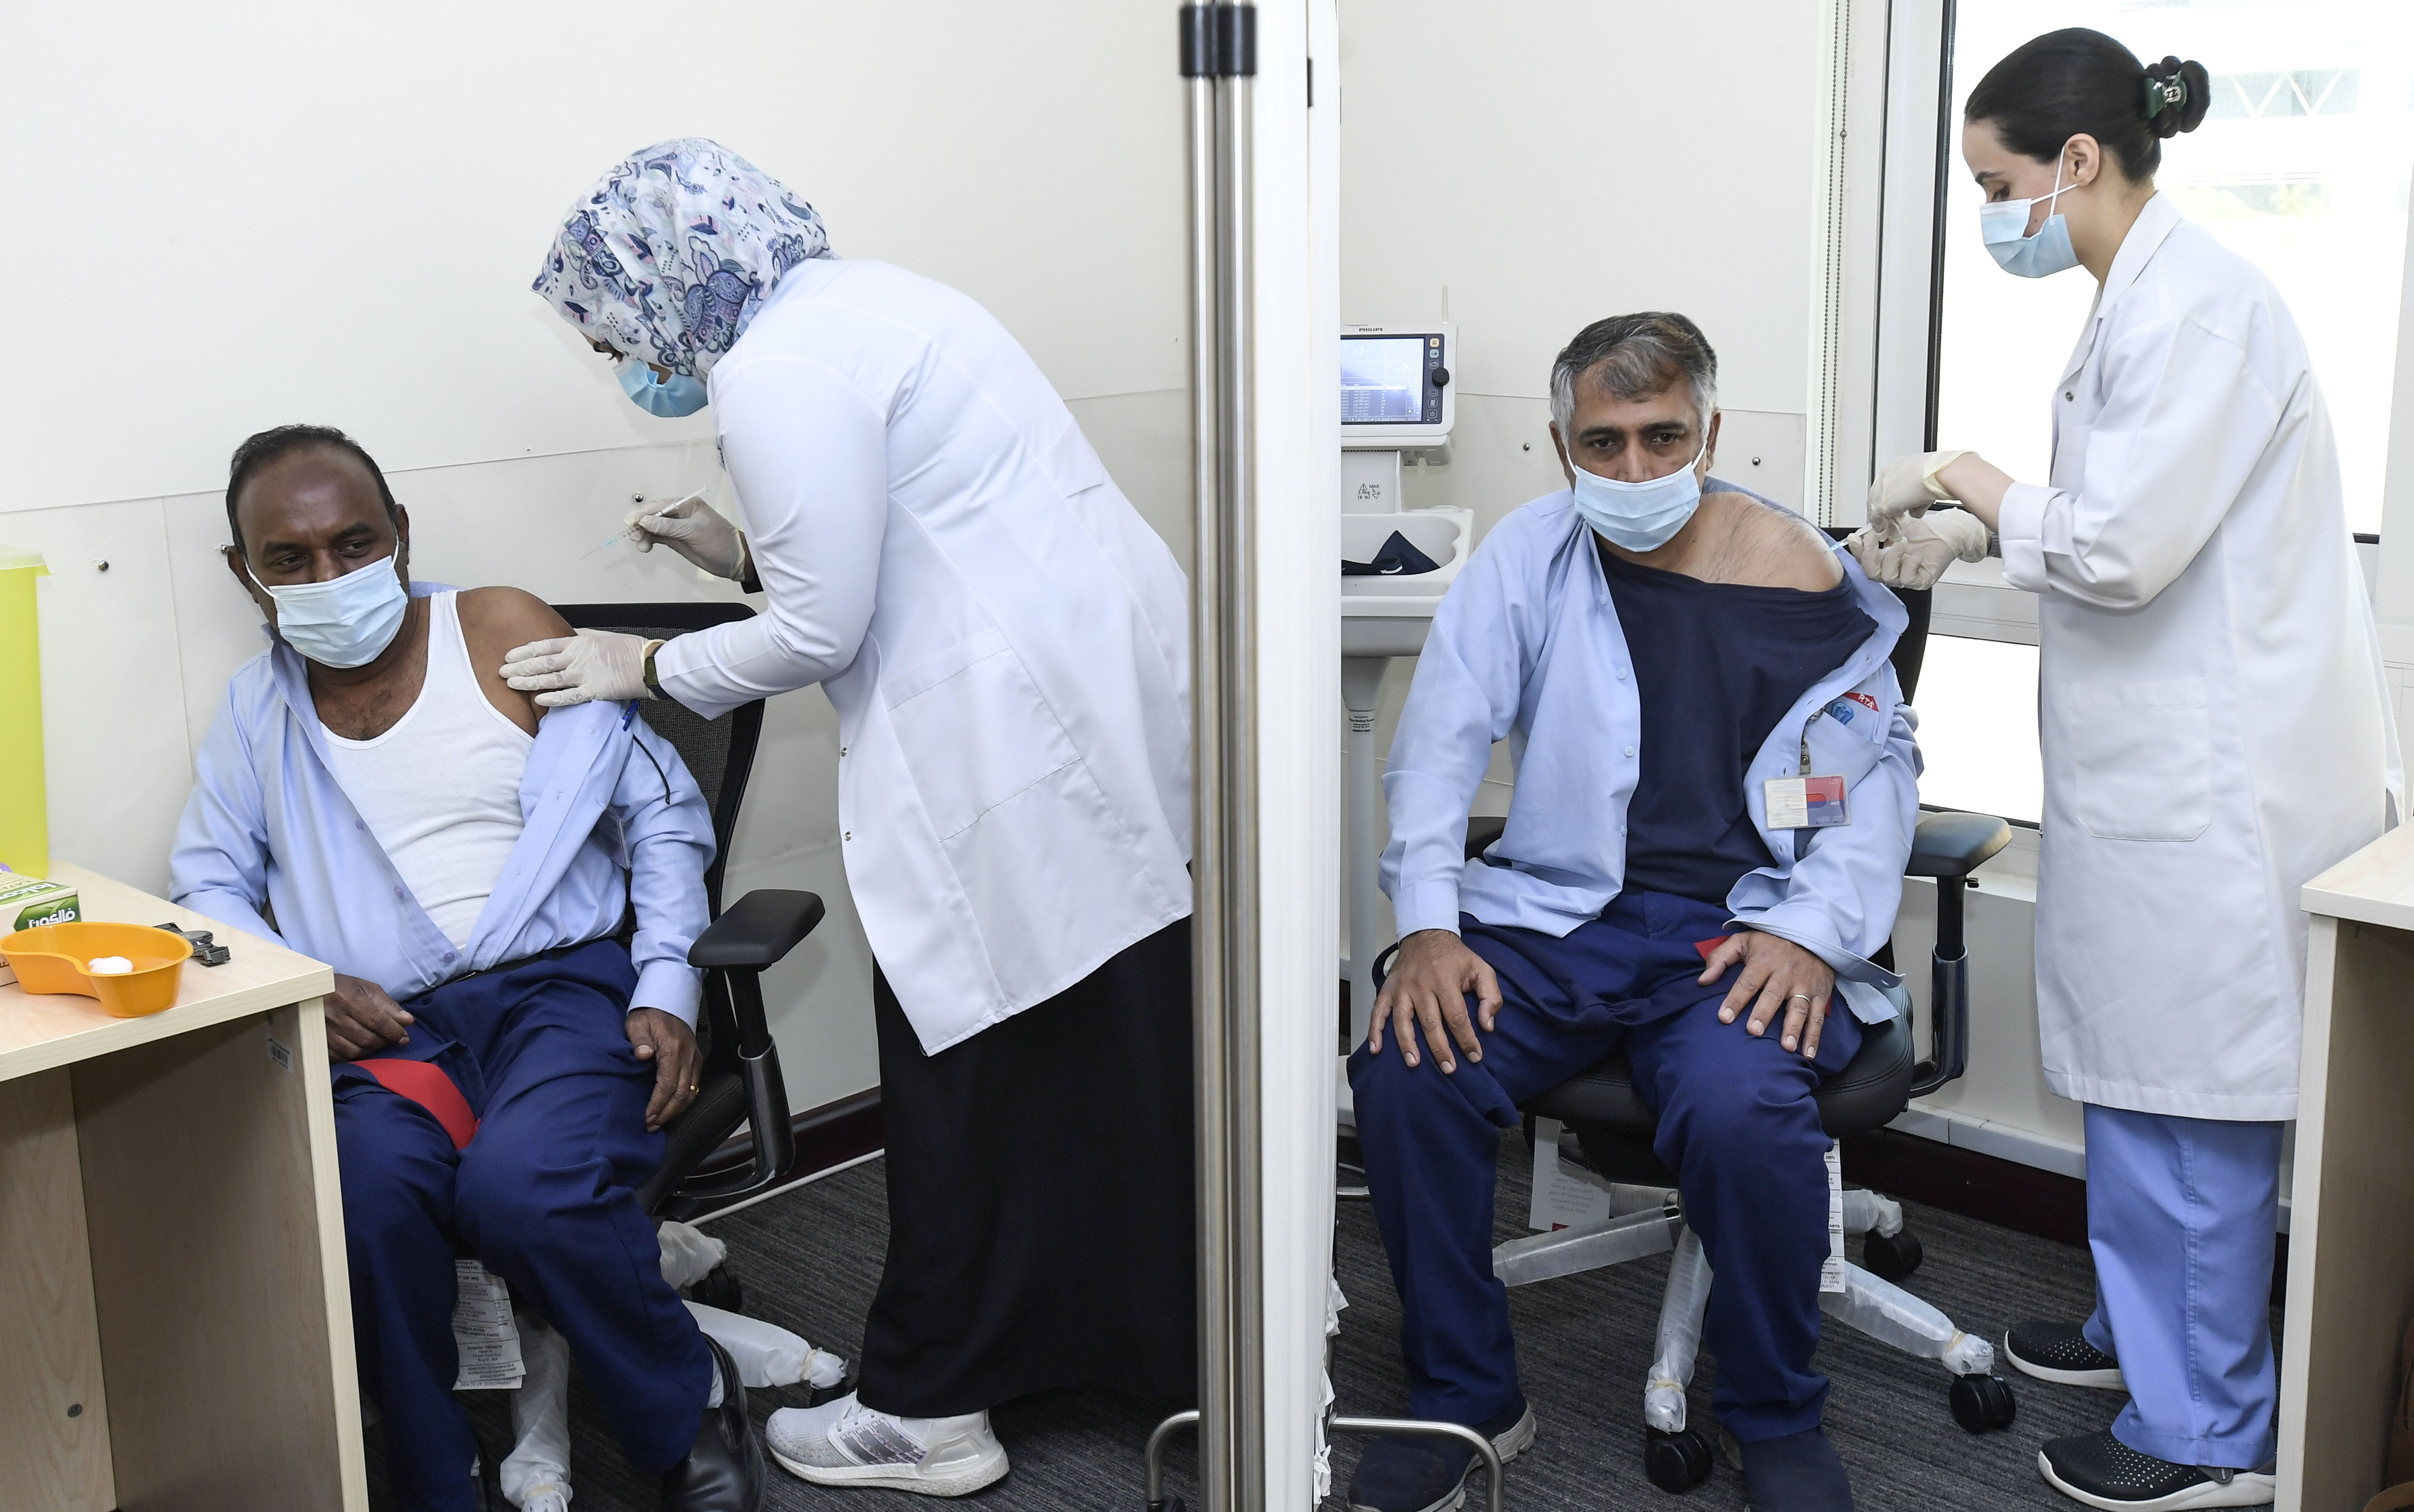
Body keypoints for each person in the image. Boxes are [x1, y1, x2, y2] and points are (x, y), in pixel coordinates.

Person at [508, 139, 1196, 1496]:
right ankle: (1154, 1346)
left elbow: (824, 627)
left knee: (968, 1078)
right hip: (1087, 713)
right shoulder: (879, 300)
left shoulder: (776, 368)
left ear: (662, 280)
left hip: (1003, 747)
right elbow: (910, 537)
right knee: (1097, 1063)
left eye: (615, 333)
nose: (628, 361)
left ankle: (932, 1410)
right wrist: (738, 551)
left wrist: (644, 663)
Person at [1853, 30, 2400, 1510]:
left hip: (2219, 791)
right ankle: (2138, 1334)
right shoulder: (2138, 300)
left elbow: (2126, 546)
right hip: (2157, 775)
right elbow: (2122, 517)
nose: (1993, 216)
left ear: (2078, 161)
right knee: (2135, 1085)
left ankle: (2207, 1427)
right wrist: (1978, 535)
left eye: (1998, 185)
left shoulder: (2200, 311)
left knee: (2190, 1104)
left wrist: (1968, 478)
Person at [1348, 312, 1920, 1512]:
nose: (1634, 468)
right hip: (1563, 917)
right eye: (1602, 443)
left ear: (1711, 430)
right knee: (1408, 1063)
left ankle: (1773, 1413)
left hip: (1742, 930)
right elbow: (1438, 748)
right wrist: (1430, 927)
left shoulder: (1803, 577)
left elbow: (1870, 780)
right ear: (1561, 445)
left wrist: (1811, 931)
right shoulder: (1530, 555)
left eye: (1663, 436)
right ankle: (1464, 1394)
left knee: (1738, 1106)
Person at [169, 425, 765, 1512]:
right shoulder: (258, 710)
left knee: (520, 1189)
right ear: (245, 573)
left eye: (355, 544)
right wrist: (302, 984)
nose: (328, 576)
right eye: (289, 559)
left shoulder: (498, 630)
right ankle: (434, 1478)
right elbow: (206, 881)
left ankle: (685, 1413)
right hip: (393, 1032)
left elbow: (662, 817)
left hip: (558, 996)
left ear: (400, 532)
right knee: (363, 1199)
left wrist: (667, 984)